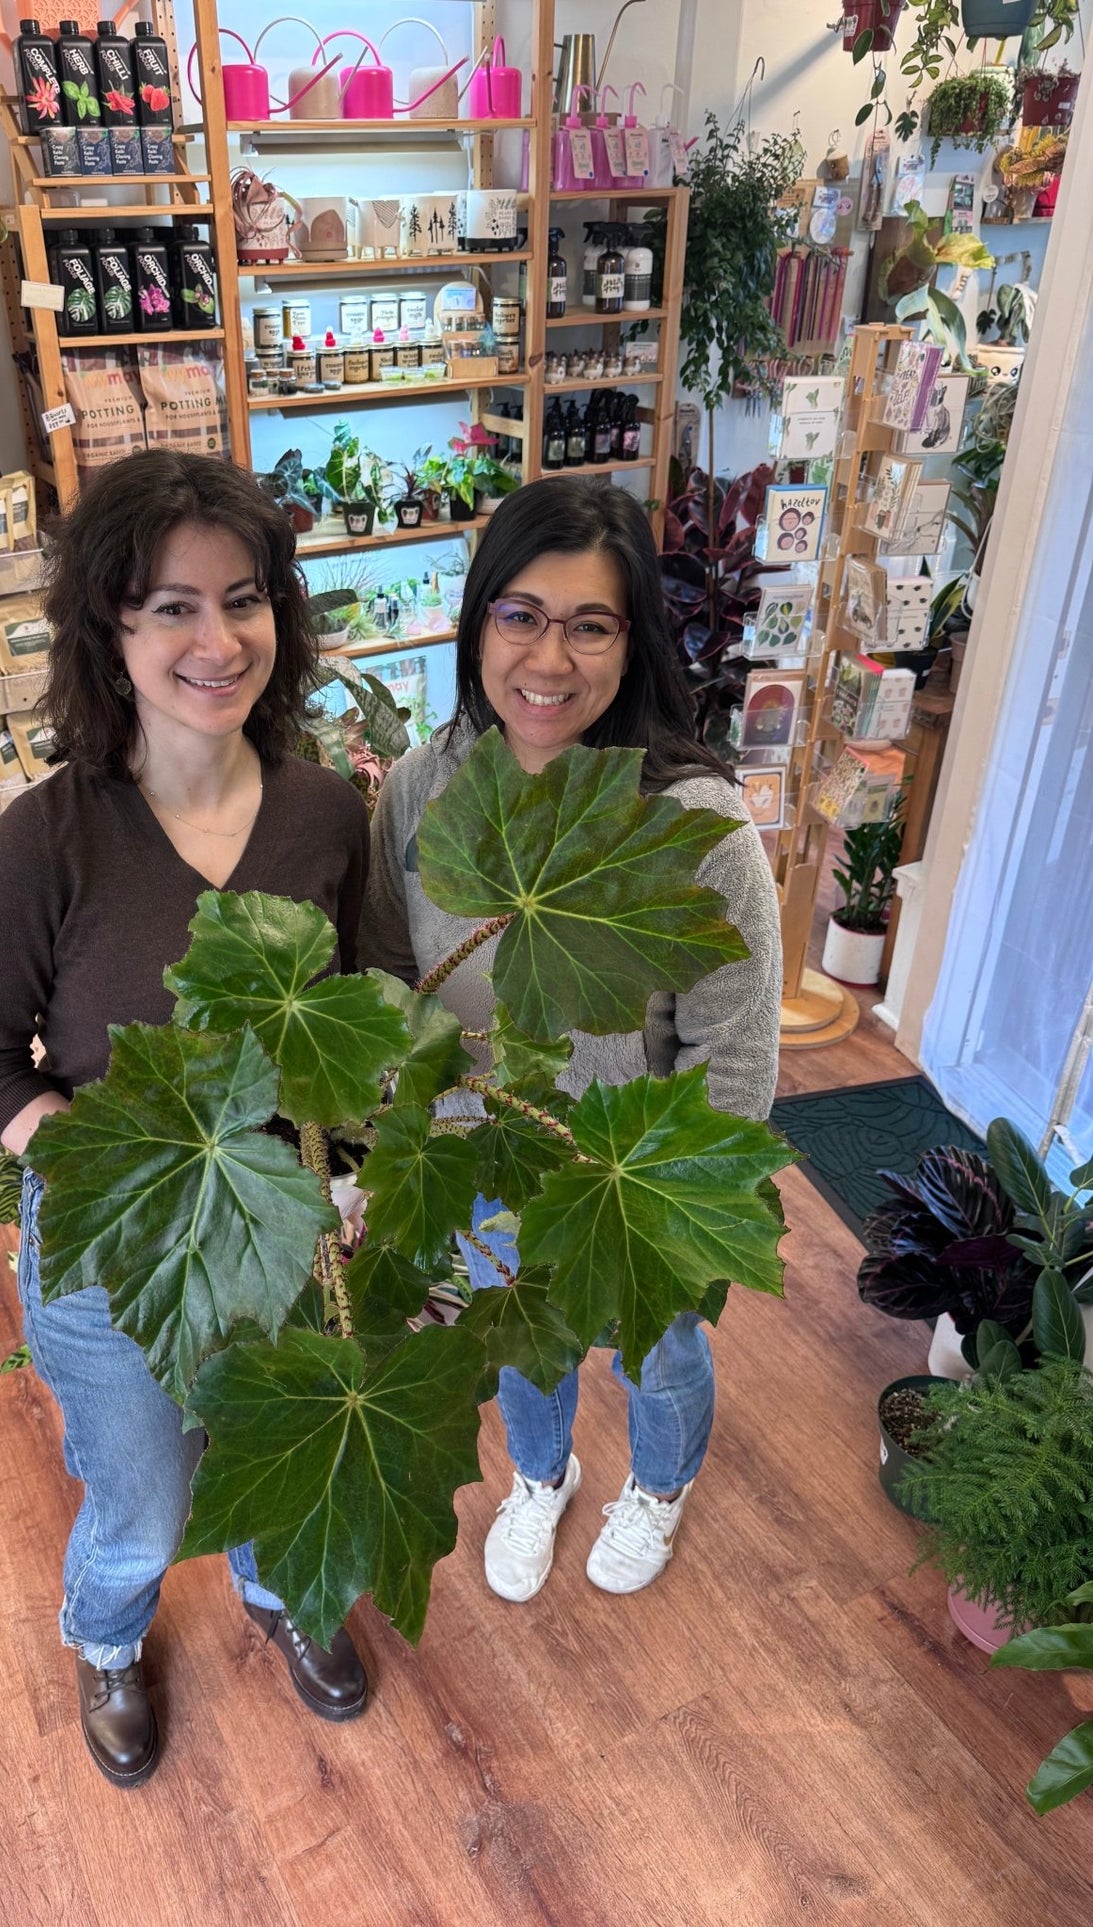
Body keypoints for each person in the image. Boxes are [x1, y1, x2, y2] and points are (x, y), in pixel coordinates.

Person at [0, 452, 372, 1788]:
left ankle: (278, 1580)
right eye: (170, 606)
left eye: (242, 599)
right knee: (141, 1490)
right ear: (109, 629)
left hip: (285, 1228)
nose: (215, 638)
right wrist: (120, 1179)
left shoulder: (322, 812)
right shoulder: (41, 844)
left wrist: (343, 1170)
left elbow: (354, 1013)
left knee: (265, 1436)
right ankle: (109, 1629)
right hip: (110, 1252)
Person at [358, 477, 781, 1608]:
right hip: (485, 1150)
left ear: (630, 640)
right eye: (521, 616)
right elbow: (393, 980)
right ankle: (538, 1477)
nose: (550, 658)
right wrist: (447, 1123)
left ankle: (660, 1481)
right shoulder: (422, 785)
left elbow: (732, 1045)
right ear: (478, 621)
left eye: (589, 624)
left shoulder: (690, 820)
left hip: (636, 1175)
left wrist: (666, 1201)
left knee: (660, 1351)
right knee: (522, 1338)